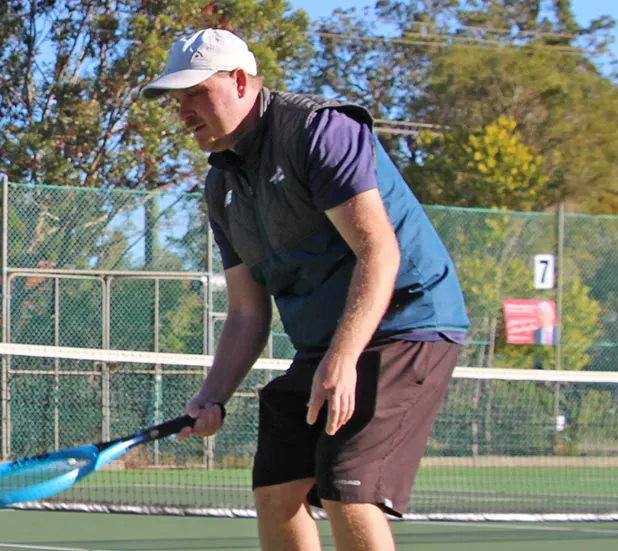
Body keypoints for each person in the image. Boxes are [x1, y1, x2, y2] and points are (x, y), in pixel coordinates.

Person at [143, 29, 471, 551]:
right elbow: (248, 311)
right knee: (277, 486)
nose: (184, 112)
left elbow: (378, 253)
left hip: (408, 323)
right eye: (178, 101)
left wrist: (340, 362)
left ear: (241, 81)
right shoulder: (220, 185)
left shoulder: (319, 132)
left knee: (346, 486)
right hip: (326, 342)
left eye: (197, 94)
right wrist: (211, 398)